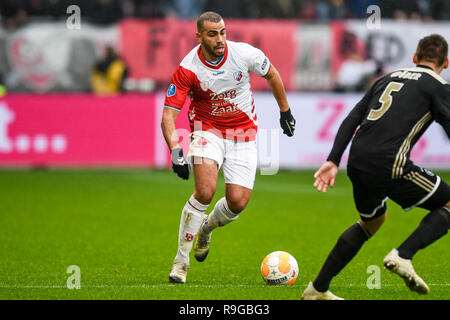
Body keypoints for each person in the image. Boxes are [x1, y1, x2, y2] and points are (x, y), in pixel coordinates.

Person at [302, 34, 450, 300]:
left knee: (372, 221)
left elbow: (353, 117)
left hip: (357, 161)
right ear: (446, 63)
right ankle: (403, 255)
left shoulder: (388, 78)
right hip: (390, 161)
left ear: (415, 58)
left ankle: (317, 289)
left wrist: (333, 159)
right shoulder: (439, 86)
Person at [161, 11, 296, 283]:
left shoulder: (243, 54)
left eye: (222, 32)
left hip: (243, 134)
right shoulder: (188, 68)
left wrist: (285, 111)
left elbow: (272, 74)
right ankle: (180, 263)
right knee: (205, 191)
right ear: (199, 36)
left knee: (237, 202)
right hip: (206, 131)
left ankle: (206, 230)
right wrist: (176, 151)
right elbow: (168, 116)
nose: (220, 38)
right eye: (212, 34)